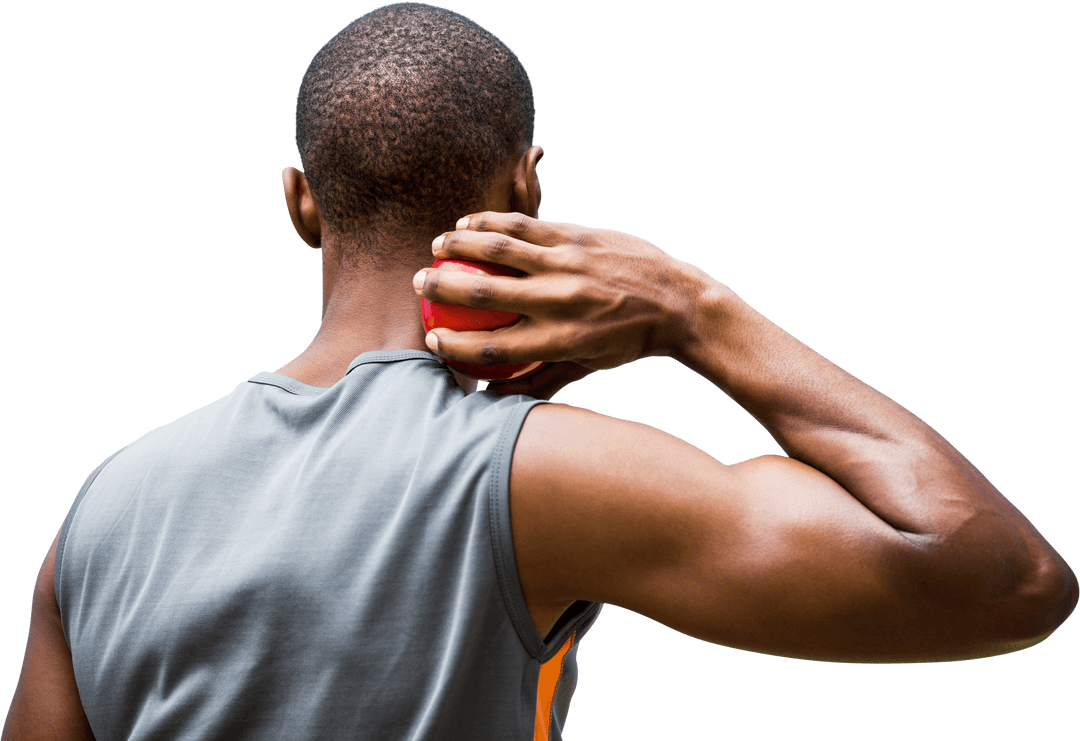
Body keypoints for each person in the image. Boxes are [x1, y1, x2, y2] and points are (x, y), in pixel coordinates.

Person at [4, 3, 1076, 740]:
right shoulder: (535, 476)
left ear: (300, 203)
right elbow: (1005, 583)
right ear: (527, 190)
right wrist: (693, 312)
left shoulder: (106, 507)